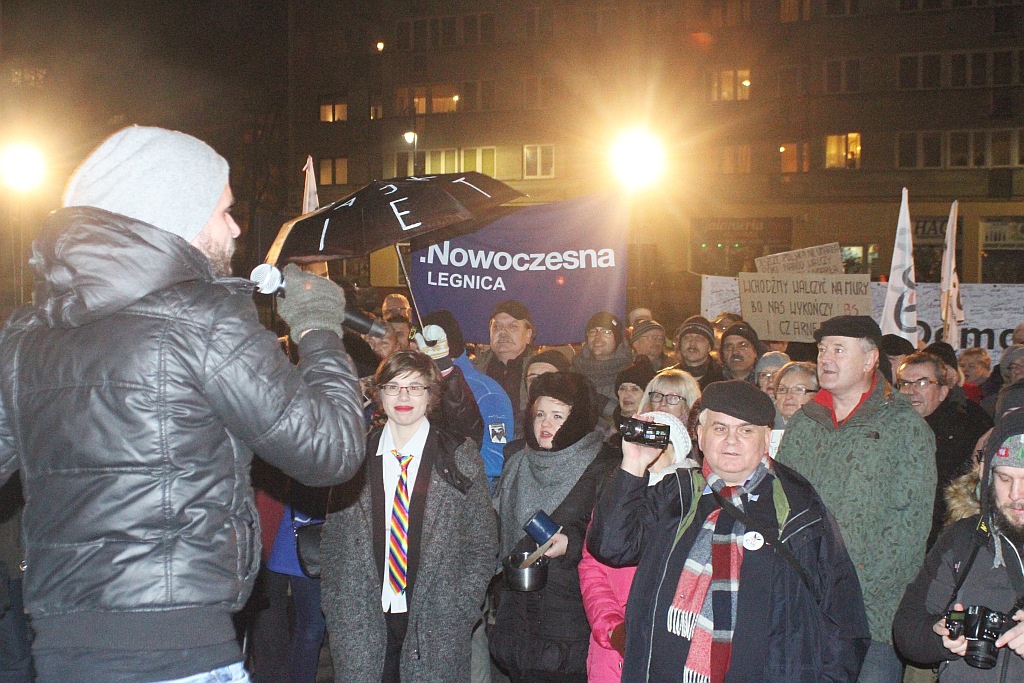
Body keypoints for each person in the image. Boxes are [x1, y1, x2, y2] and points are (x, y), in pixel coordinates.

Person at [0, 126, 367, 683]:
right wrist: (317, 328)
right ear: (173, 214)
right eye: (224, 211)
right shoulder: (204, 320)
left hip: (59, 650)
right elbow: (330, 450)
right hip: (179, 651)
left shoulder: (25, 336)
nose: (237, 227)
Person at [589, 380, 870, 682]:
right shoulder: (679, 494)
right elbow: (612, 547)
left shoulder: (798, 507)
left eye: (745, 430)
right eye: (720, 428)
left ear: (765, 437)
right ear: (700, 434)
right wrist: (633, 465)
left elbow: (843, 617)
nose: (731, 441)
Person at [321, 351, 497, 683]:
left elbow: (482, 544)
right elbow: (333, 543)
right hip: (362, 620)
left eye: (415, 387)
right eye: (392, 387)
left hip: (436, 622)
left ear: (431, 395)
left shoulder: (459, 456)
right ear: (378, 394)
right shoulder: (354, 457)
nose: (403, 397)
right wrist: (338, 608)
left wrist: (459, 610)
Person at [777, 315, 936, 682]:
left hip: (870, 618)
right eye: (822, 350)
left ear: (869, 360)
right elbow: (779, 503)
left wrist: (849, 588)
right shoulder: (804, 422)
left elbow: (908, 530)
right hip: (799, 608)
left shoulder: (904, 429)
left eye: (838, 349)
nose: (825, 359)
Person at [490, 371, 619, 683]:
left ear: (577, 419)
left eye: (558, 415)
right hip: (516, 613)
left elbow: (617, 537)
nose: (545, 424)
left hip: (569, 618)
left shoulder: (605, 464)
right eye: (540, 414)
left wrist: (572, 543)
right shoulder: (517, 460)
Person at [893, 413, 1024, 681]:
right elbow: (907, 628)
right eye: (1004, 478)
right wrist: (940, 637)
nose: (1015, 495)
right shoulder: (965, 539)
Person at [578, 411, 697, 683]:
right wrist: (611, 627)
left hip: (665, 642)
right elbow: (591, 565)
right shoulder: (617, 492)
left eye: (657, 440)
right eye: (641, 437)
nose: (648, 449)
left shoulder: (690, 499)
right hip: (611, 647)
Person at [896, 352, 993, 550]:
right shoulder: (890, 426)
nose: (910, 391)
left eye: (922, 383)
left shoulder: (970, 424)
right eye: (904, 383)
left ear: (943, 391)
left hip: (949, 538)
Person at [422, 310, 515, 490]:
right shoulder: (418, 387)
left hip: (467, 498)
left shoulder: (488, 394)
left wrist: (438, 469)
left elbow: (496, 456)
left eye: (420, 345)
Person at [474, 300, 536, 419]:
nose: (503, 332)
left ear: (528, 335)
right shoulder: (473, 371)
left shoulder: (540, 372)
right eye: (496, 327)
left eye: (512, 326)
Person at [572, 312, 633, 413]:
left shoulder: (632, 374)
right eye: (592, 332)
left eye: (606, 332)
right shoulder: (573, 373)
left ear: (617, 338)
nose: (597, 337)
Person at [670, 316, 724, 390]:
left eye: (699, 339)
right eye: (687, 338)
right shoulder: (666, 378)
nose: (692, 343)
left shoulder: (724, 379)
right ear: (680, 344)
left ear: (709, 347)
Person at [611, 360, 658, 433]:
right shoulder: (608, 428)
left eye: (634, 389)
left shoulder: (657, 428)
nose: (626, 394)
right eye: (622, 388)